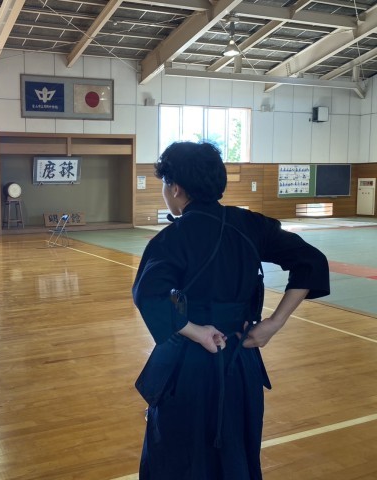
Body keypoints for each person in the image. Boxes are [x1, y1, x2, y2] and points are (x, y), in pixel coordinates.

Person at [132, 141, 330, 480]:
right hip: (241, 356)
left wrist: (196, 331)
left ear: (176, 188)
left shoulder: (172, 238)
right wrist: (274, 323)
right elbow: (312, 261)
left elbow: (148, 295)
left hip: (187, 363)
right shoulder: (250, 225)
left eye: (165, 183)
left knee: (178, 453)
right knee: (236, 446)